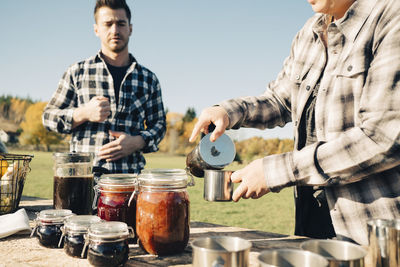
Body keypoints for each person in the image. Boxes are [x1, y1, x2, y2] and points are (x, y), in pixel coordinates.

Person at [190, 0, 400, 246]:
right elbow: (280, 100)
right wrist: (230, 110)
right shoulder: (308, 33)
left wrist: (274, 171)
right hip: (311, 221)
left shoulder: (390, 17)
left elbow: (383, 137)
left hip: (375, 233)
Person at [43, 0, 166, 175]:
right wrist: (83, 113)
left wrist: (137, 141)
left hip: (130, 181)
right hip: (83, 180)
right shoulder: (77, 72)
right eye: (108, 24)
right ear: (96, 29)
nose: (115, 30)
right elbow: (48, 117)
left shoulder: (148, 79)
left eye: (121, 24)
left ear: (130, 28)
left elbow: (159, 125)